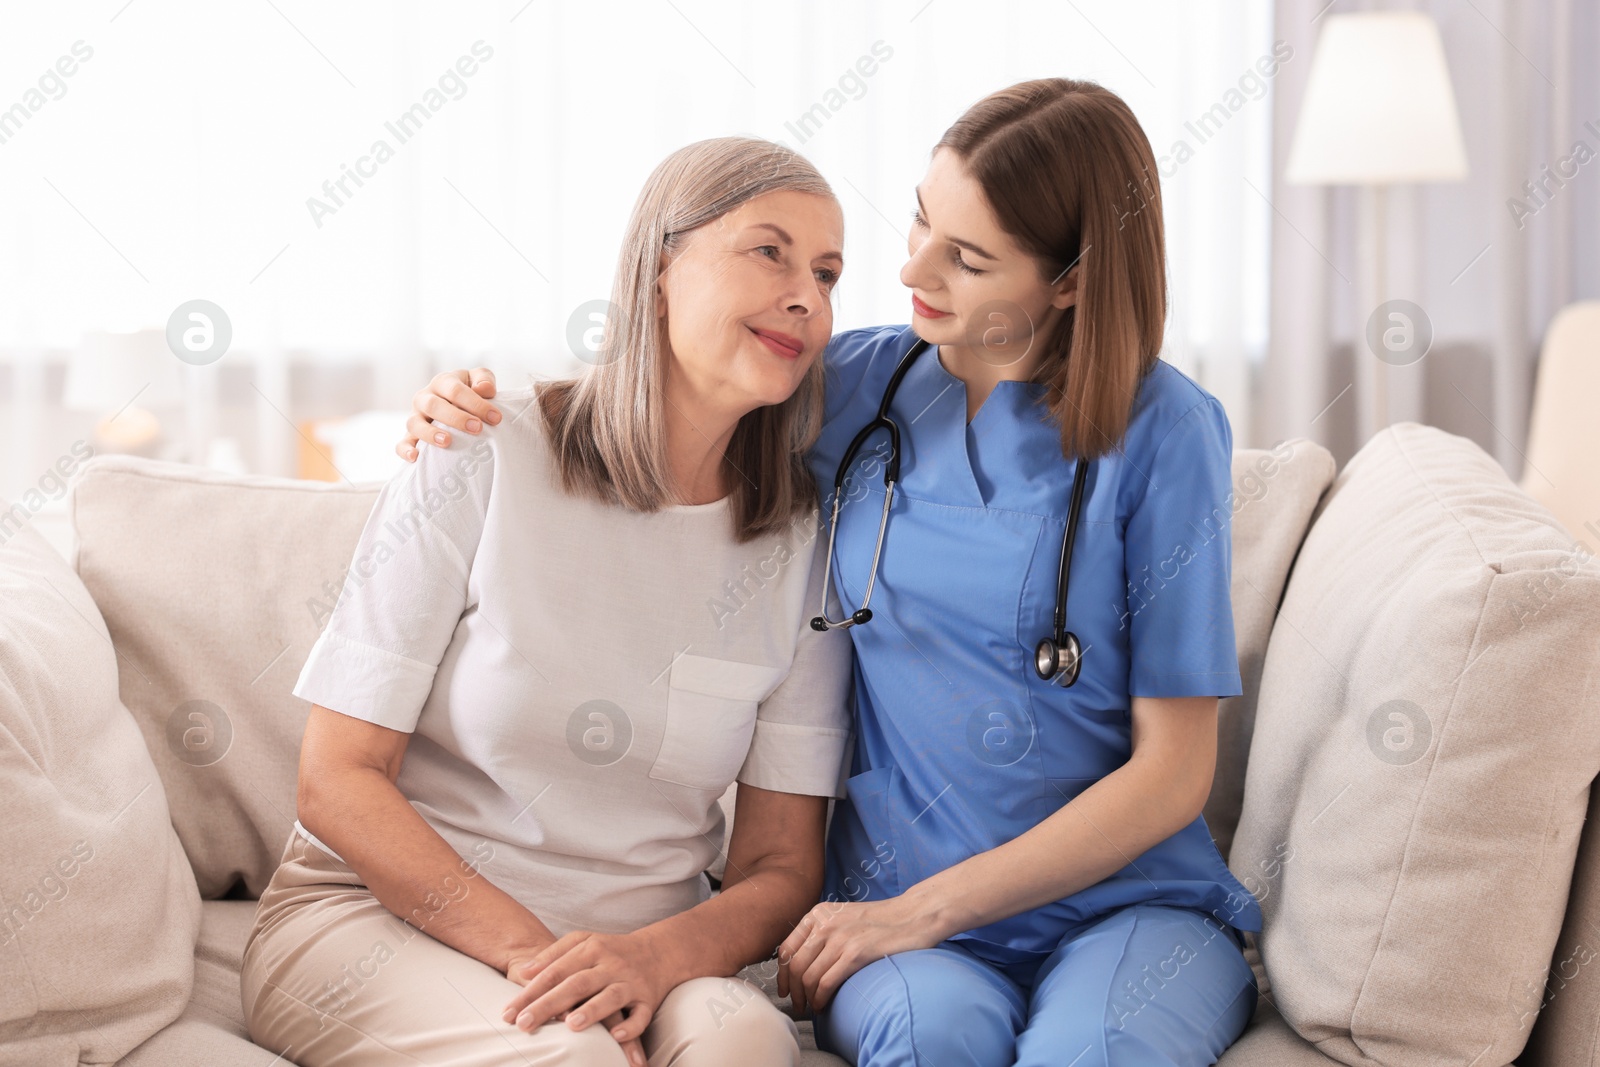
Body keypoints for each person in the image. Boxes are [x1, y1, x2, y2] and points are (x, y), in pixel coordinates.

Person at [400, 78, 1262, 1066]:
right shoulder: (853, 387)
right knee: (928, 1040)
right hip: (892, 908)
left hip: (1124, 907)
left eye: (967, 258)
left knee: (1093, 1050)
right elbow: (670, 385)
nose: (912, 267)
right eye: (921, 220)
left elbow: (1173, 772)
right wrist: (480, 407)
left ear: (1066, 281)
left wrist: (922, 911)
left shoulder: (1165, 431)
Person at [240, 136, 857, 1067]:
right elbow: (338, 780)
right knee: (573, 1059)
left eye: (827, 271)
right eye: (770, 251)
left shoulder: (802, 541)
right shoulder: (484, 449)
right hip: (375, 920)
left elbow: (780, 866)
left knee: (746, 1051)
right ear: (659, 269)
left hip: (646, 953)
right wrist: (553, 968)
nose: (807, 296)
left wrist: (648, 959)